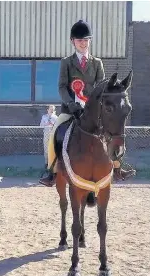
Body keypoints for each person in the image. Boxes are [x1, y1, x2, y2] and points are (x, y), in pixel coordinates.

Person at [39, 20, 135, 187]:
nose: (83, 43)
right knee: (55, 131)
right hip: (71, 109)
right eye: (79, 40)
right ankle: (51, 170)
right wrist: (71, 103)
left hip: (93, 110)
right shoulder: (66, 62)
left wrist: (91, 102)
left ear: (89, 41)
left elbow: (102, 88)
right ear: (73, 41)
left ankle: (118, 168)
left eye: (85, 40)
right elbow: (62, 87)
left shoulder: (97, 63)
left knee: (112, 130)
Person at [40, 105, 58, 169]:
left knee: (53, 148)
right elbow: (41, 125)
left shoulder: (56, 117)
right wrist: (46, 124)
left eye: (53, 109)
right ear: (47, 110)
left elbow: (57, 126)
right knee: (46, 149)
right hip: (46, 133)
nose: (52, 110)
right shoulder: (44, 117)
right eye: (50, 109)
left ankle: (53, 164)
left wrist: (53, 124)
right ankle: (46, 163)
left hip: (53, 134)